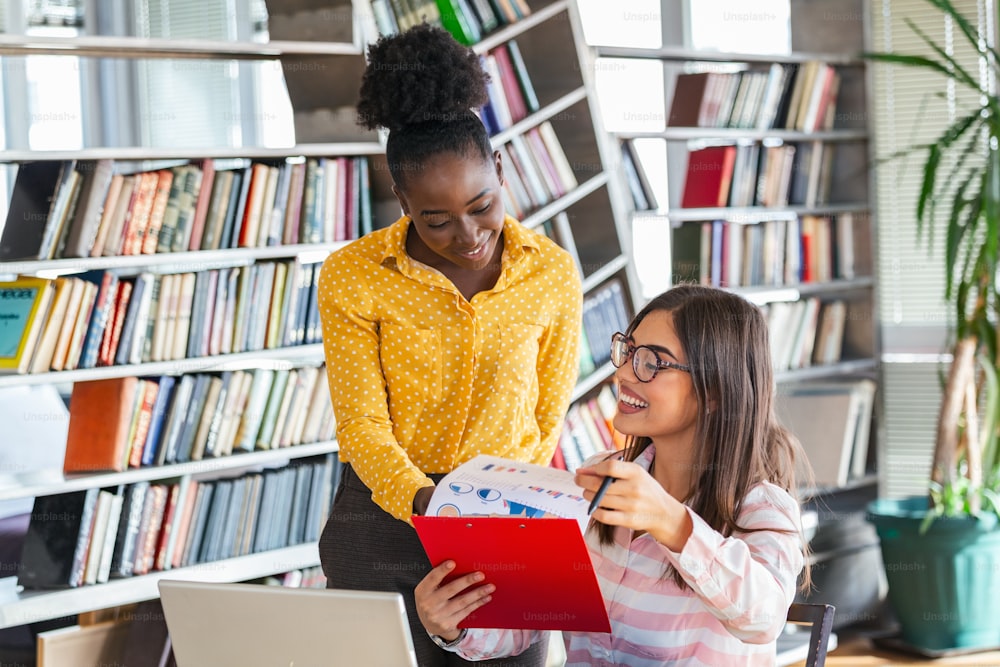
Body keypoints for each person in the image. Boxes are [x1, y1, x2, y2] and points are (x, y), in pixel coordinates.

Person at [316, 22, 583, 667]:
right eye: (435, 218)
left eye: (481, 205)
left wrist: (497, 511)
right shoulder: (354, 275)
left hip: (506, 527)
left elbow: (546, 415)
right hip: (384, 520)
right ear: (400, 196)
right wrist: (428, 504)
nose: (466, 234)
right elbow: (362, 426)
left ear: (499, 168)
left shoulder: (550, 272)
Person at [415, 284, 812, 666]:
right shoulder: (598, 478)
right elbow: (532, 620)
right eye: (628, 351)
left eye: (651, 362)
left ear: (715, 392)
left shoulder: (761, 507)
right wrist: (454, 623)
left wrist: (669, 521)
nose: (623, 373)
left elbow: (763, 619)